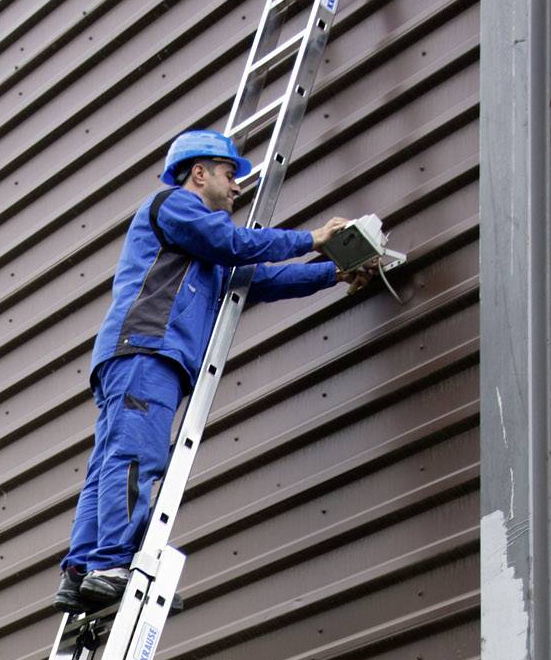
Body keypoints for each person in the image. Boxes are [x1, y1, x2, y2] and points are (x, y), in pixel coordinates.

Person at [55, 128, 377, 617]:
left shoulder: (201, 248)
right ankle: (110, 564)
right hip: (148, 349)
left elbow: (258, 279)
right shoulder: (176, 207)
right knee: (135, 455)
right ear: (199, 173)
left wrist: (332, 272)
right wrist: (312, 238)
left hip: (137, 353)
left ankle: (82, 570)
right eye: (230, 174)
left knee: (111, 459)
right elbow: (234, 243)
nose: (237, 185)